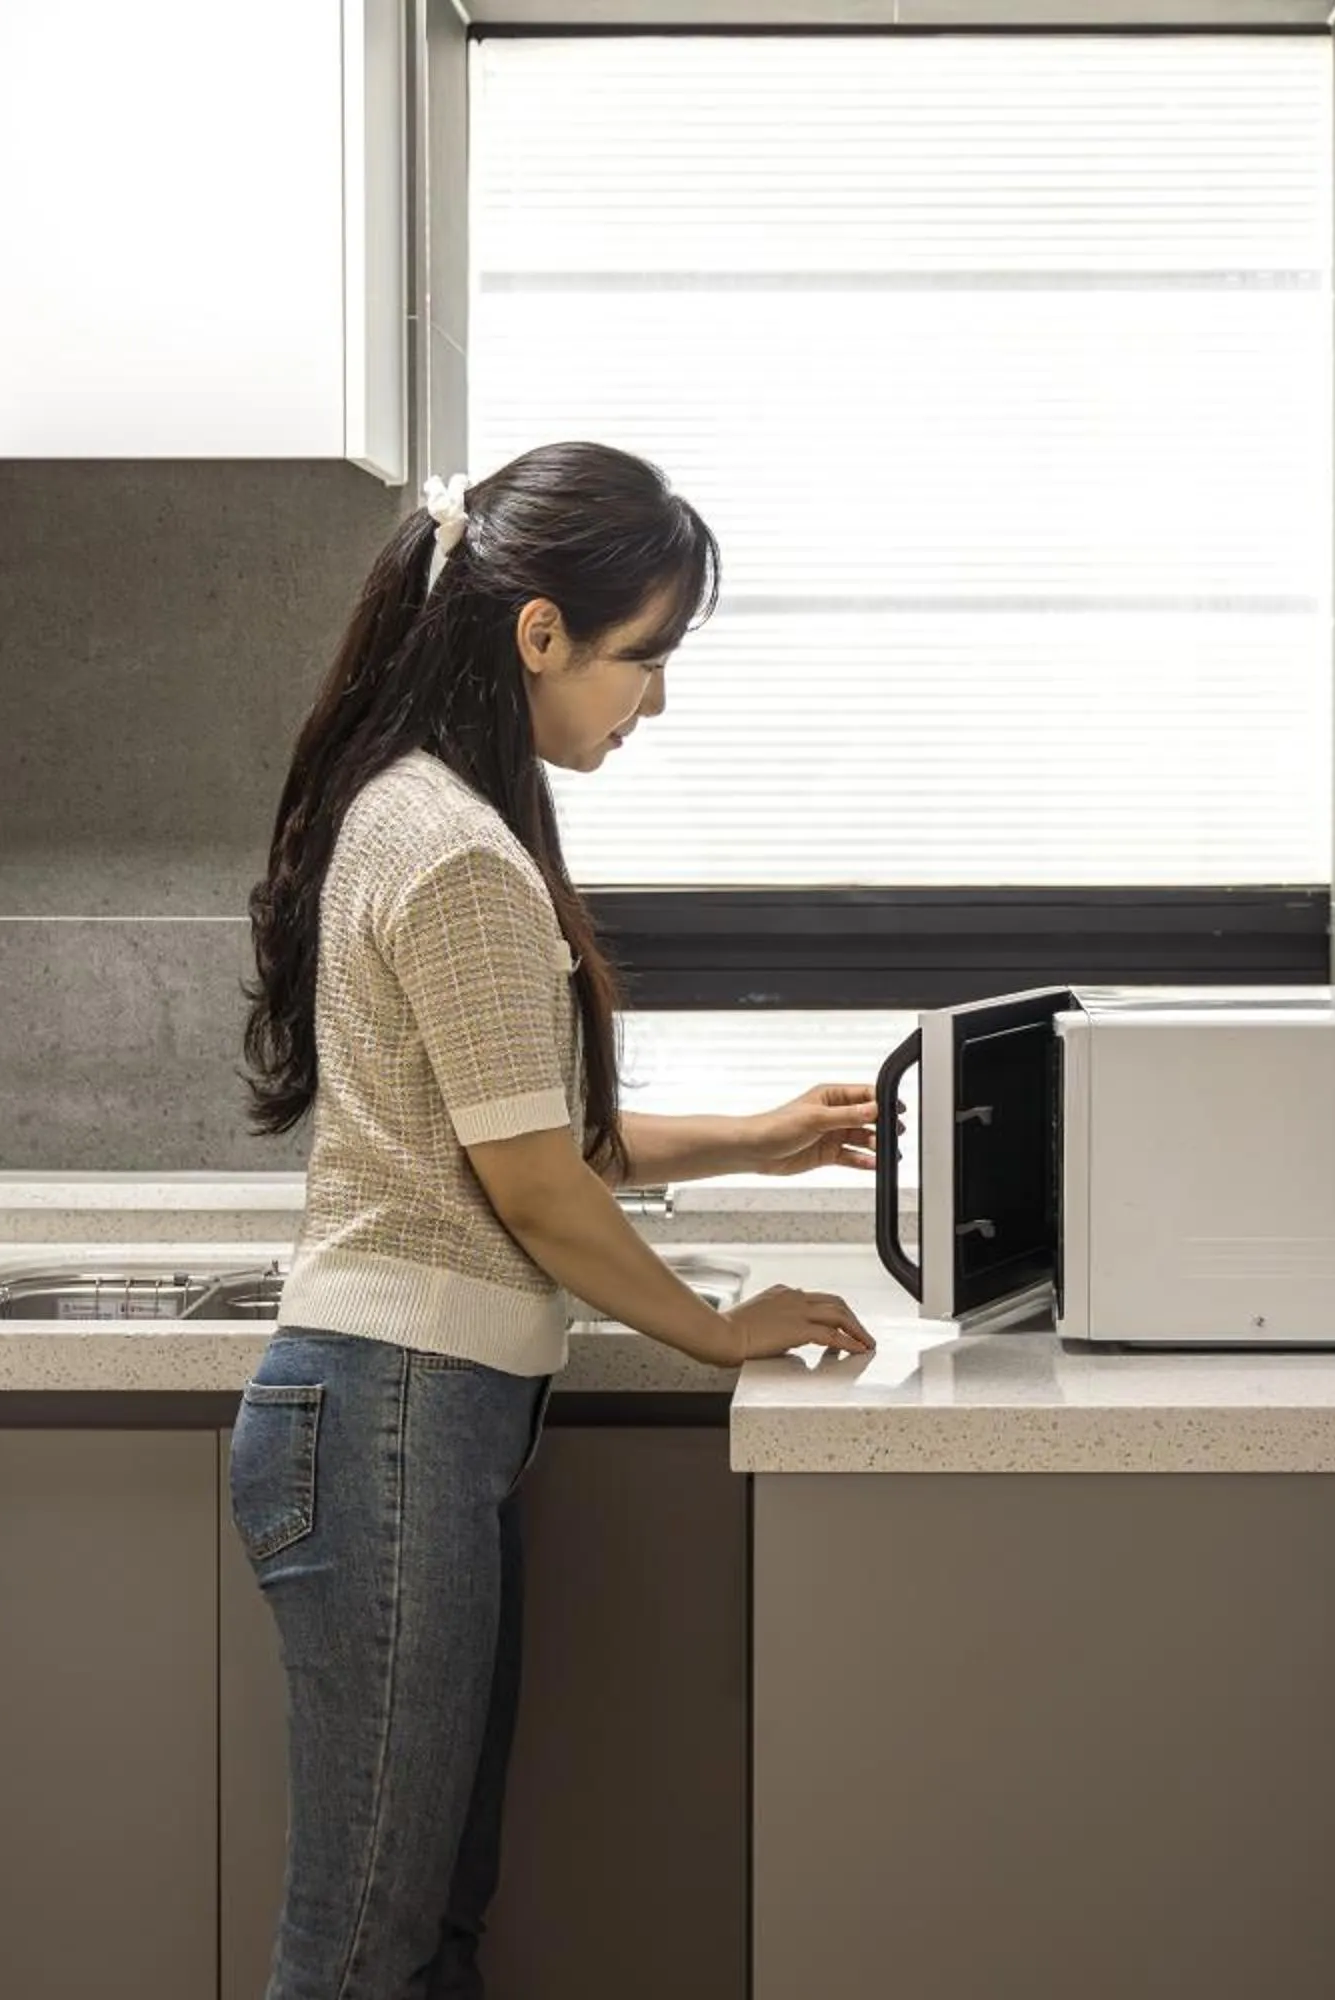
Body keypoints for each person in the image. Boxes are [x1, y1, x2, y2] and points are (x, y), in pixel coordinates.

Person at [232, 441, 877, 1998]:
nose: (651, 699)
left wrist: (759, 1140)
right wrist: (717, 1327)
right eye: (642, 658)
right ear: (539, 634)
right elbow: (530, 1187)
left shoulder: (427, 811)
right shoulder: (455, 847)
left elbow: (529, 1129)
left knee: (426, 1929)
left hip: (417, 1421)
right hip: (394, 1418)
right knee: (367, 1949)